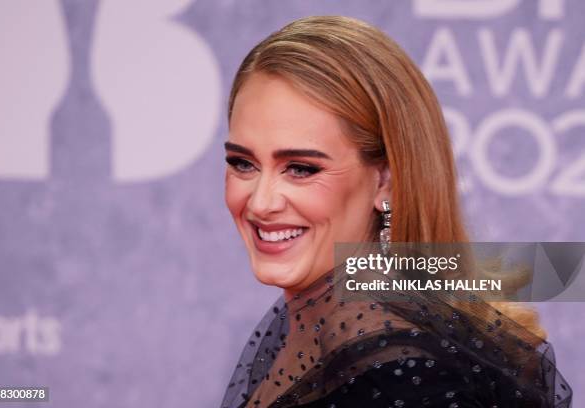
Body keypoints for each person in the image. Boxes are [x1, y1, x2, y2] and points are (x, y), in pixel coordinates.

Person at [220, 16, 572, 408]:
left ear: (386, 180)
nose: (260, 202)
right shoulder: (313, 326)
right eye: (243, 163)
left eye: (302, 169)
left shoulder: (406, 382)